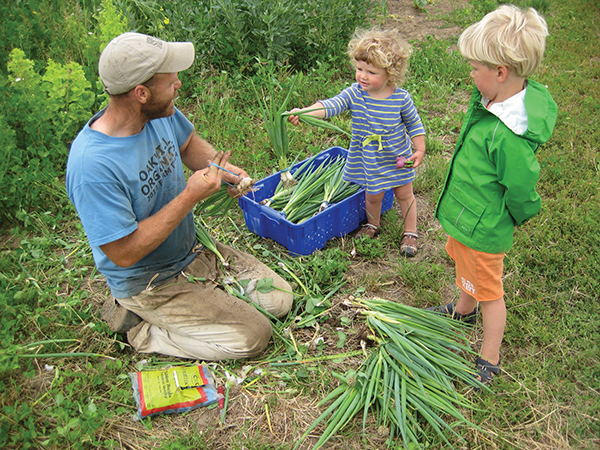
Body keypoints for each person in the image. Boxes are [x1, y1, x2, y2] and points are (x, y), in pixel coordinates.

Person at [66, 32, 293, 361]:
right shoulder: (93, 166)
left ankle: (206, 296)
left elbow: (188, 145)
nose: (179, 84)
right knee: (253, 336)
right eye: (170, 80)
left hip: (193, 253)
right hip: (150, 281)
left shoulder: (157, 114)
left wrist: (225, 170)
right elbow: (124, 252)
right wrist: (190, 196)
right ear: (141, 93)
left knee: (280, 299)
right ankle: (141, 331)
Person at [429, 5, 557, 386]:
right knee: (465, 265)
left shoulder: (508, 135)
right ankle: (462, 308)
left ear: (500, 73)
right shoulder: (493, 100)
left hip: (485, 225)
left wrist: (520, 213)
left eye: (474, 68)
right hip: (469, 214)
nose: (470, 75)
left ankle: (490, 353)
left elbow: (520, 186)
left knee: (490, 291)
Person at [287, 28, 426, 256]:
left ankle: (410, 232)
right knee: (372, 195)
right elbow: (331, 105)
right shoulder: (355, 94)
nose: (362, 76)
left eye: (371, 72)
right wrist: (305, 112)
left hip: (397, 158)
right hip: (370, 159)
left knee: (404, 194)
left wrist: (419, 148)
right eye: (359, 69)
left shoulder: (401, 99)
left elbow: (414, 124)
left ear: (390, 73)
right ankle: (373, 224)